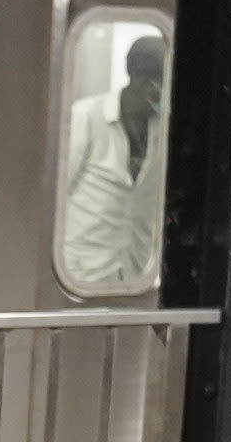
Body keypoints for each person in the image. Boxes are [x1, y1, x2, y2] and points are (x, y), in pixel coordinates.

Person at [56, 31, 167, 293]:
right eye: (162, 83)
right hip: (81, 273)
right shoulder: (86, 118)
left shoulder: (164, 129)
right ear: (142, 80)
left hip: (137, 271)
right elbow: (56, 194)